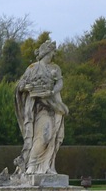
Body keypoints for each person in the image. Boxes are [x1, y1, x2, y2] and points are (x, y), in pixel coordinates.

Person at [14, 40, 69, 175]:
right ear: (46, 52)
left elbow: (60, 83)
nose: (53, 55)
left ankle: (47, 166)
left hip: (53, 105)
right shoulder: (33, 68)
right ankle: (32, 165)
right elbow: (20, 85)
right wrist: (26, 87)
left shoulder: (55, 68)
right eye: (52, 52)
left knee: (53, 137)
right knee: (44, 135)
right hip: (38, 107)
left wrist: (52, 91)